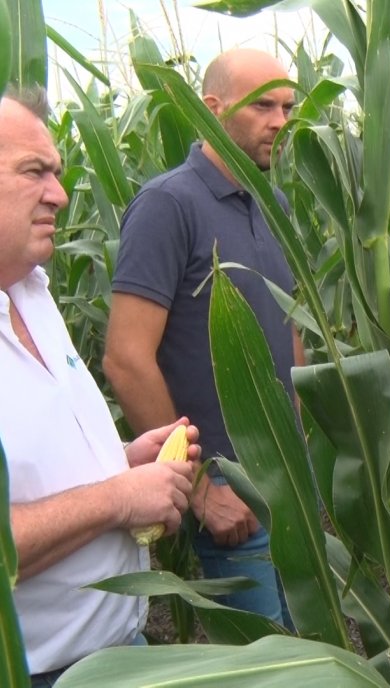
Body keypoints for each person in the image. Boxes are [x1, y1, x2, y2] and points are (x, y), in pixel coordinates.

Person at [0, 87, 199, 687]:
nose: (60, 194)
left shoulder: (32, 293)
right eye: (34, 172)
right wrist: (118, 499)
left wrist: (122, 464)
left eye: (58, 173)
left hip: (114, 655)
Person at [104, 49, 304, 626]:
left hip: (285, 476)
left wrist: (300, 444)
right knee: (267, 664)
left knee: (311, 647)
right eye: (263, 105)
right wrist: (198, 491)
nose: (281, 122)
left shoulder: (275, 205)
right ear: (211, 110)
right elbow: (125, 358)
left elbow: (285, 324)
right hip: (229, 485)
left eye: (287, 106)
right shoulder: (168, 205)